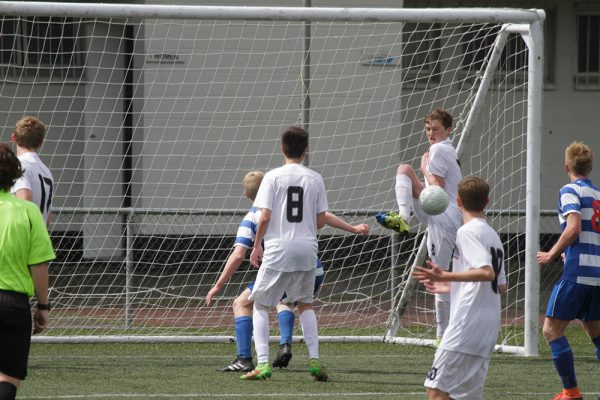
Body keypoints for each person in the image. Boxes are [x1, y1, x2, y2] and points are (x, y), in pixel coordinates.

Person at [205, 170, 369, 373]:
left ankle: (246, 359)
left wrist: (218, 285)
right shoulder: (285, 205)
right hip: (311, 266)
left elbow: (238, 255)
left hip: (280, 265)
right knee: (289, 301)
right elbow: (323, 216)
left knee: (243, 303)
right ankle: (288, 346)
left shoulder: (255, 216)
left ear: (247, 194)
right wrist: (353, 228)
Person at [239, 126, 328, 381]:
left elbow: (264, 215)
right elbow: (321, 220)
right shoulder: (315, 178)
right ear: (306, 150)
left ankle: (264, 364)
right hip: (308, 249)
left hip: (278, 248)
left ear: (282, 148)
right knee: (306, 305)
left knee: (260, 305)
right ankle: (314, 360)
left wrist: (257, 246)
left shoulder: (273, 177)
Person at [412, 176, 505, 400]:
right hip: (488, 325)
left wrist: (446, 275)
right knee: (464, 395)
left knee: (435, 391)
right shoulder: (492, 235)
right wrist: (450, 286)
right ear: (488, 201)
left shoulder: (467, 232)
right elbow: (499, 287)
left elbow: (486, 273)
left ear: (458, 202)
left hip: (467, 323)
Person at [377, 108, 462, 343]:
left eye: (435, 129)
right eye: (428, 129)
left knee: (440, 277)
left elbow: (437, 189)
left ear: (448, 130)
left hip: (444, 215)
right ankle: (403, 218)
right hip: (441, 212)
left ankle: (442, 335)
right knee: (404, 169)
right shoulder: (445, 149)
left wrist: (425, 170)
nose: (431, 133)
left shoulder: (438, 149)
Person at [536, 141, 600, 400]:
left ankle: (571, 392)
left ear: (566, 166)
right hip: (597, 272)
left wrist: (552, 253)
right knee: (595, 332)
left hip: (578, 273)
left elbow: (573, 227)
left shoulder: (568, 190)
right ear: (590, 167)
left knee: (551, 330)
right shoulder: (597, 194)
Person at [0, 142, 56, 400]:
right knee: (7, 378)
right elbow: (39, 264)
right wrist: (43, 306)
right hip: (13, 304)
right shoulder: (28, 212)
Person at [10, 116, 54, 225]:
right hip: (40, 237)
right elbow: (48, 218)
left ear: (14, 138)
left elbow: (25, 200)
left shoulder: (19, 165)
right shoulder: (46, 171)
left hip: (22, 238)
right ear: (41, 143)